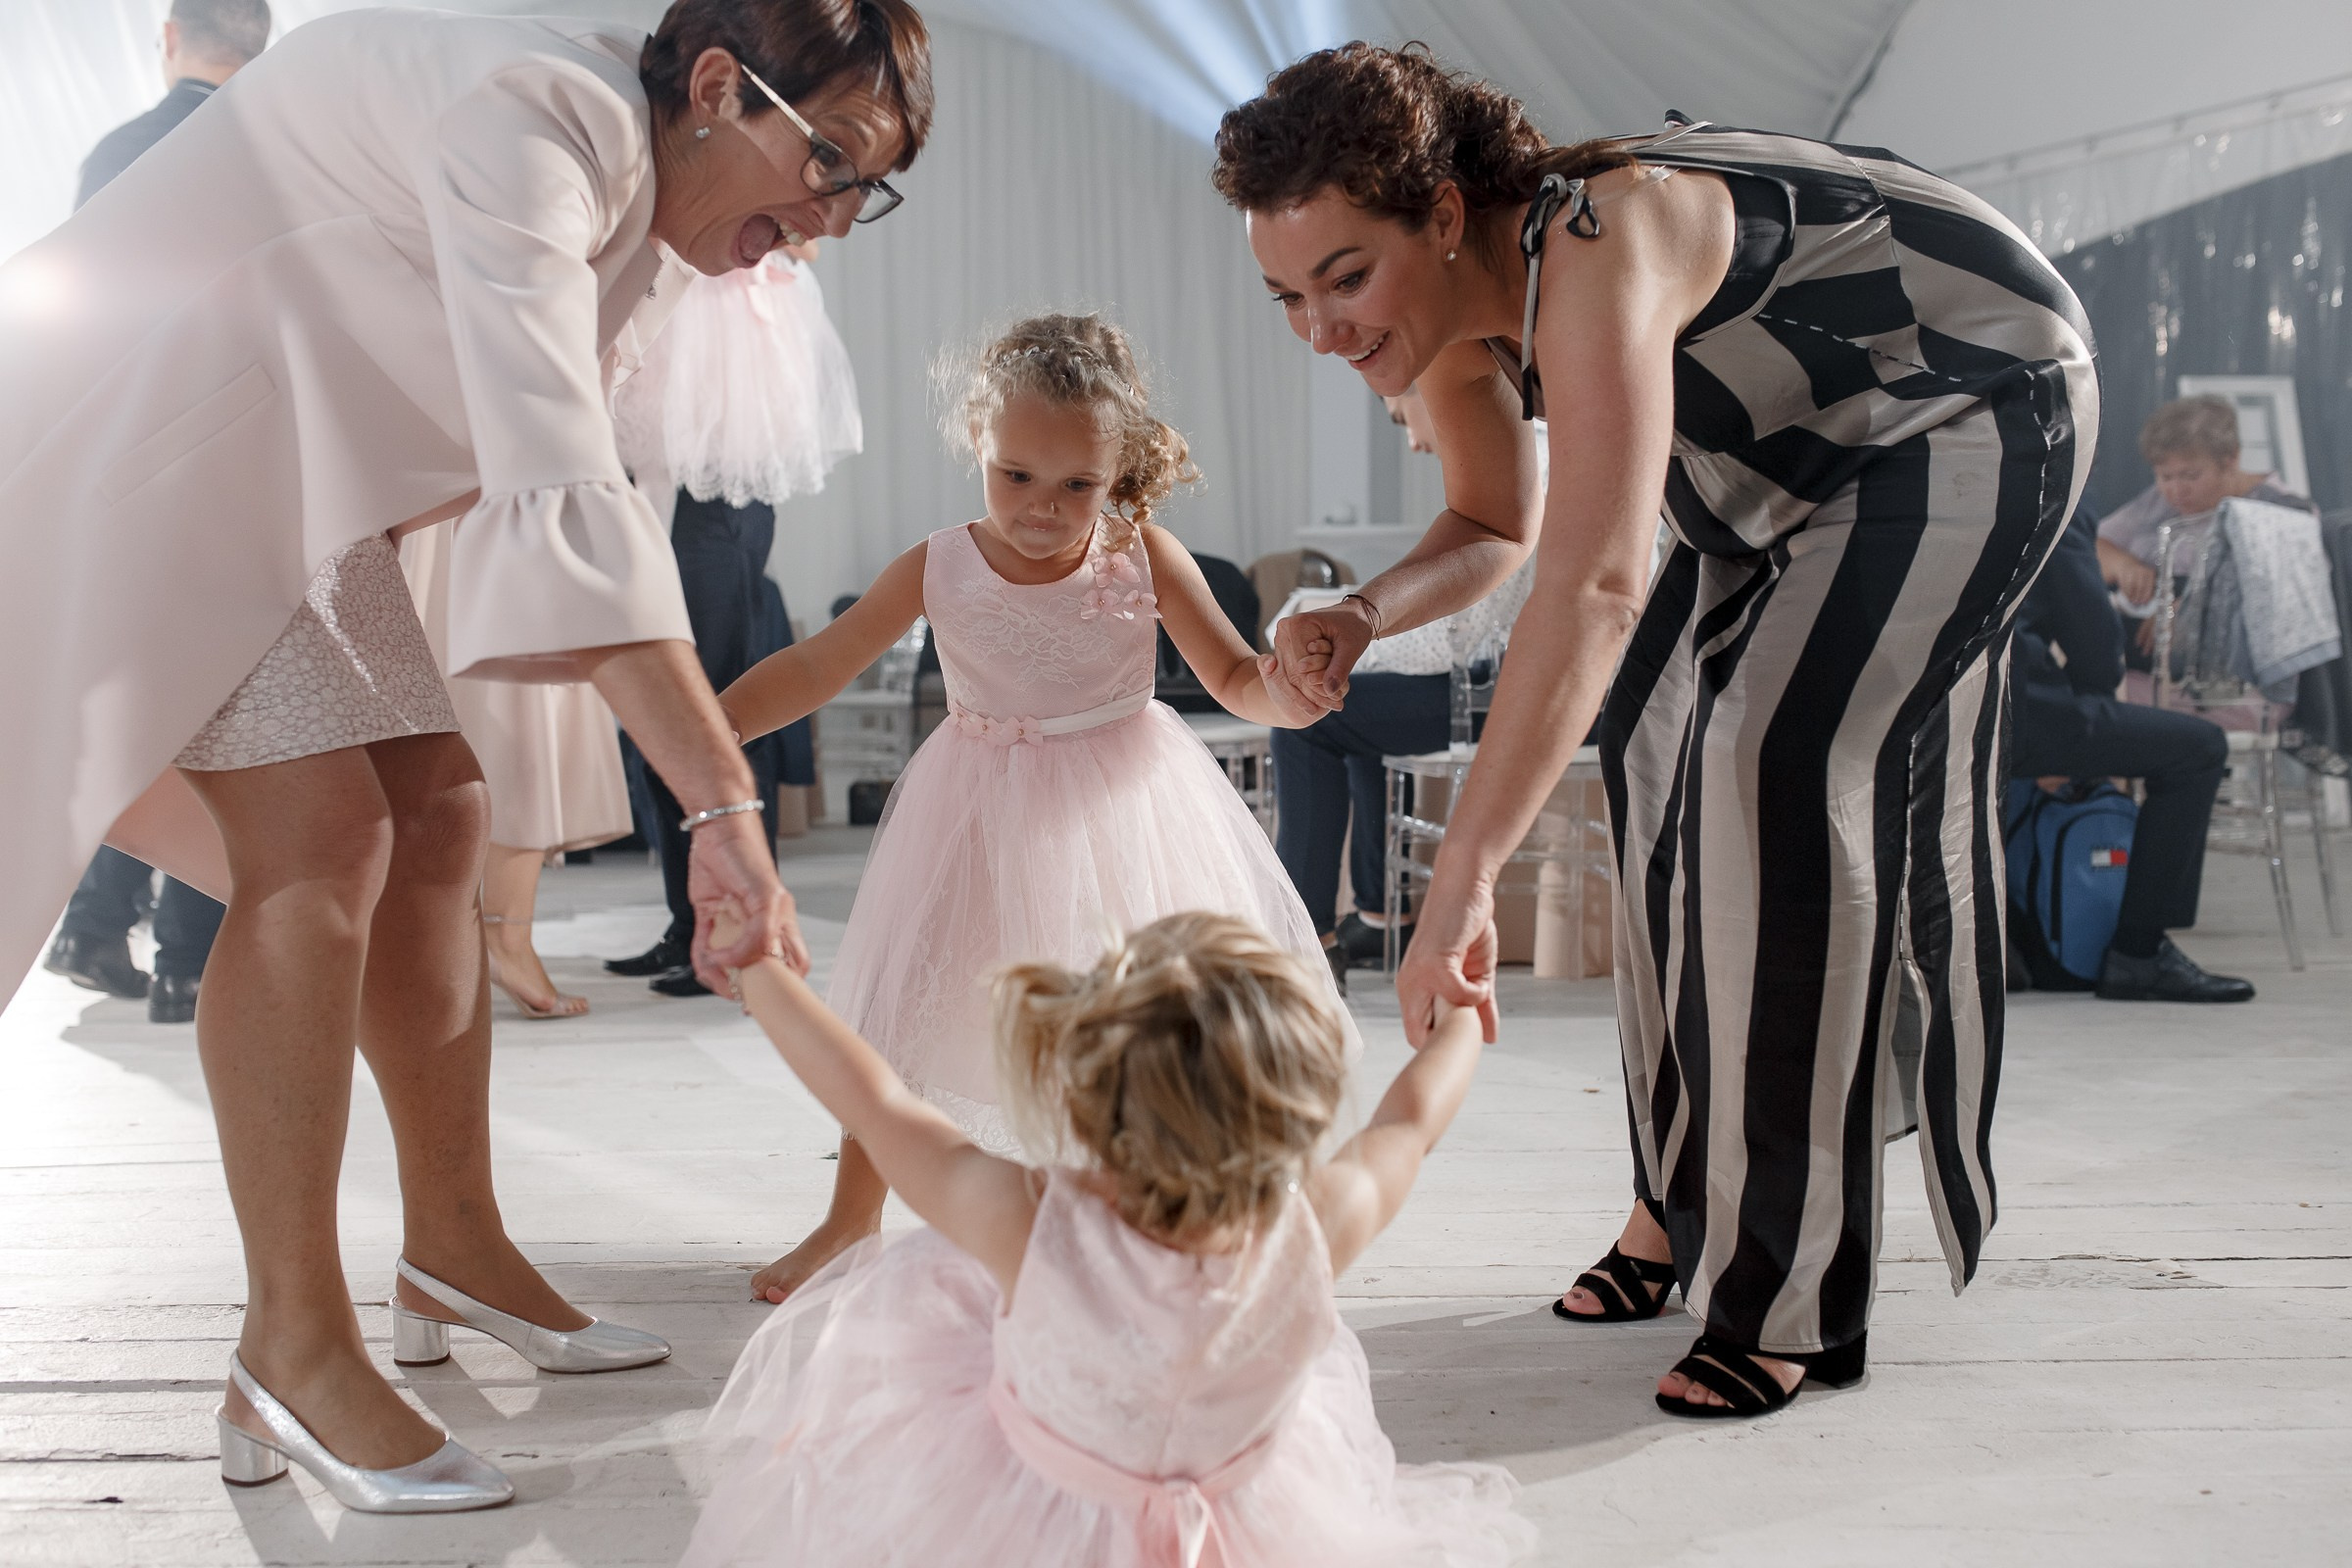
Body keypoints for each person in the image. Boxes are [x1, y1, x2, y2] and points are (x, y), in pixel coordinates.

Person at [0, 0, 931, 1510]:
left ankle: (450, 1248)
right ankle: (289, 1351)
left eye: (859, 191)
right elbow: (559, 475)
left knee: (438, 811)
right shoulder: (539, 117)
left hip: (272, 460)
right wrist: (722, 804)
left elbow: (511, 459)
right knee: (319, 846)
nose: (821, 222)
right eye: (825, 160)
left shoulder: (630, 191)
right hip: (151, 431)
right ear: (715, 86)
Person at [1219, 47, 2097, 1417]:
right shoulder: (1443, 329)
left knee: (1775, 769)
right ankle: (1675, 1208)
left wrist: (1461, 877)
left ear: (1443, 217)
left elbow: (1598, 581)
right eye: (1287, 295)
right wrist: (1365, 609)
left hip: (1961, 404)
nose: (1323, 330)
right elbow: (1501, 529)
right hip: (1761, 467)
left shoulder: (1601, 235)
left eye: (1345, 277)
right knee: (1645, 757)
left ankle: (1792, 1297)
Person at [717, 314, 1343, 1302]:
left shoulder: (1144, 555)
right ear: (979, 445)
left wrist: (1286, 693)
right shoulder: (939, 563)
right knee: (903, 1009)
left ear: (1120, 471)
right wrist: (712, 732)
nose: (1043, 509)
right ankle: (849, 1220)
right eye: (1016, 476)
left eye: (1076, 486)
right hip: (970, 805)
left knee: (1127, 1020)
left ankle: (1142, 1217)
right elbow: (818, 663)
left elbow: (1233, 675)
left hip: (1122, 803)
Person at [684, 911, 1536, 1567]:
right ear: (1296, 1109)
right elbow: (1407, 1125)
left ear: (1092, 1098)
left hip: (1027, 1517)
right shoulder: (1315, 1225)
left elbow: (878, 1101)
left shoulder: (1027, 1225)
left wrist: (759, 971)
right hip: (1254, 1520)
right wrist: (1460, 1010)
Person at [38, 0, 270, 1024]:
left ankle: (93, 924)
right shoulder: (270, 157)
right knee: (219, 715)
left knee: (134, 714)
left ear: (169, 37)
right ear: (261, 47)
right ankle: (186, 960)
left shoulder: (116, 152)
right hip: (231, 468)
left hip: (116, 472)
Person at [609, 241, 850, 995]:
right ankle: (689, 922)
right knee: (656, 715)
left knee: (715, 713)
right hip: (657, 493)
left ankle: (734, 929)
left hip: (716, 509)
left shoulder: (757, 276)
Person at [2010, 509, 2251, 1003]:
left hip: (1901, 710)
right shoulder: (2050, 488)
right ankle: (2139, 955)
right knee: (2199, 749)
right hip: (2010, 707)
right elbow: (2092, 634)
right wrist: (2091, 746)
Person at [399, 524, 637, 1019]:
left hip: (444, 509)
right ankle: (505, 941)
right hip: (500, 504)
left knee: (488, 701)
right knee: (522, 710)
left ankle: (474, 942)